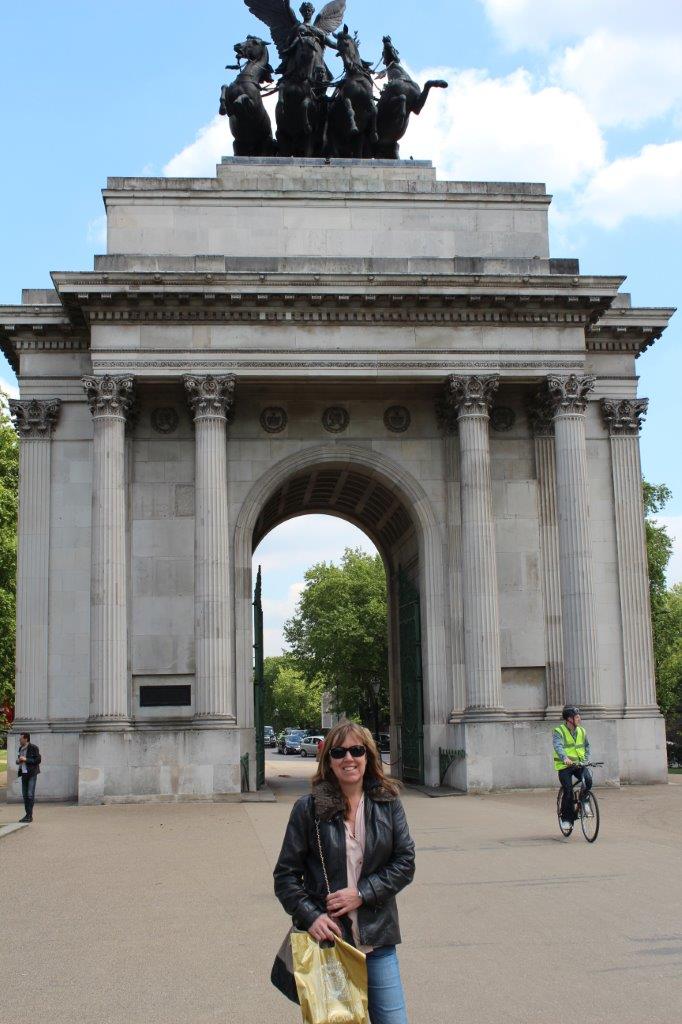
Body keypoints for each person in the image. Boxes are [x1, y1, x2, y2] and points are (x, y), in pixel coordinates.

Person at [274, 721, 415, 1023]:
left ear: (368, 756)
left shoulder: (388, 803)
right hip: (331, 944)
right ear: (329, 760)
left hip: (377, 938)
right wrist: (312, 916)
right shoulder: (307, 809)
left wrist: (362, 893)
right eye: (339, 752)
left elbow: (405, 862)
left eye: (356, 750)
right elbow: (285, 876)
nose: (348, 758)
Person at [553, 706, 591, 829]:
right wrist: (565, 758)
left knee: (588, 780)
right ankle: (566, 819)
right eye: (577, 716)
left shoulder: (582, 731)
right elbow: (558, 746)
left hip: (579, 765)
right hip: (565, 766)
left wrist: (586, 760)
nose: (579, 718)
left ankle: (582, 805)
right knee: (568, 790)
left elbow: (586, 747)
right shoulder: (559, 731)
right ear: (569, 719)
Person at [16, 731, 41, 823]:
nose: (19, 740)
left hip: (32, 774)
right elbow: (19, 759)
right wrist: (18, 761)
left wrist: (26, 759)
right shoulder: (20, 748)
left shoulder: (33, 747)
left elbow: (38, 760)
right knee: (25, 795)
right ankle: (27, 815)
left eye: (21, 738)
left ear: (26, 739)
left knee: (30, 795)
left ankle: (29, 816)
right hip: (23, 774)